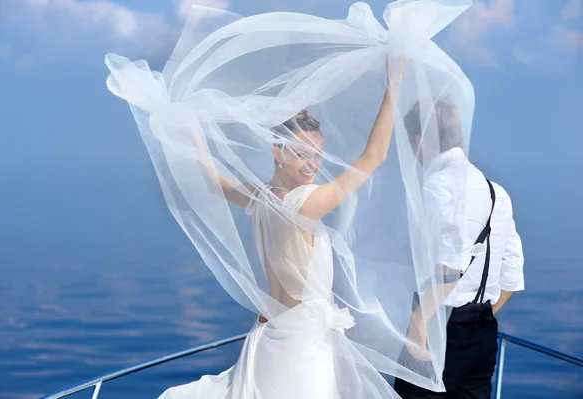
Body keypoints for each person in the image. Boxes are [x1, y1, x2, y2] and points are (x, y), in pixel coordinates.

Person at [104, 1, 477, 397]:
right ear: (277, 152)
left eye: (317, 154)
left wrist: (186, 127)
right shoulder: (304, 204)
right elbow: (373, 157)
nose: (312, 165)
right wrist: (395, 81)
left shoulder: (260, 198)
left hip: (269, 337)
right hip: (303, 348)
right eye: (301, 154)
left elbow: (212, 178)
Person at [393, 98, 525, 399]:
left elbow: (450, 265)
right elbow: (512, 273)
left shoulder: (437, 186)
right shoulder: (497, 193)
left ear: (419, 140)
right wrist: (477, 315)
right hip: (482, 332)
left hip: (436, 327)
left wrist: (418, 325)